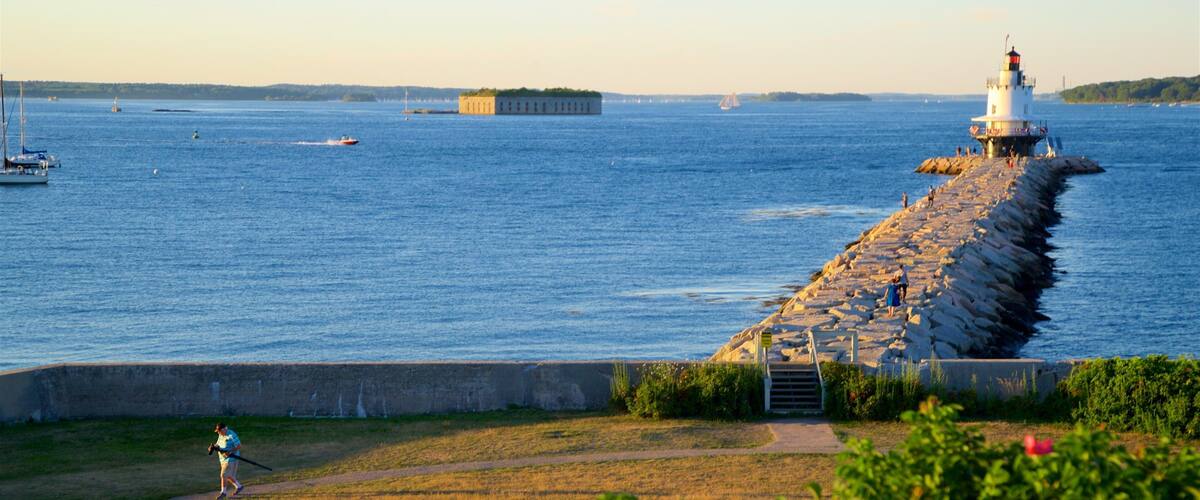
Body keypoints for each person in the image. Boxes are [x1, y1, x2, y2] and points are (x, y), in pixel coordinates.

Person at [213, 422, 243, 498]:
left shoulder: (232, 435)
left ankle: (223, 493)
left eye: (219, 431)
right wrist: (213, 447)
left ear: (224, 429)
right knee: (228, 476)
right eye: (218, 431)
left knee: (223, 475)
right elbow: (218, 443)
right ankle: (239, 487)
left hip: (231, 458)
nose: (218, 433)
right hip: (222, 458)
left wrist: (230, 451)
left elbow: (239, 446)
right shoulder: (221, 434)